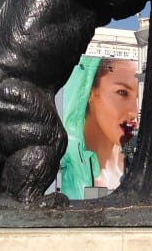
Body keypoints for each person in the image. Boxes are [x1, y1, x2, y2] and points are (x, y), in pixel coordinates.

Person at [60, 57, 139, 199]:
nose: (134, 111)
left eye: (137, 98)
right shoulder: (64, 159)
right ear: (90, 92)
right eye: (122, 92)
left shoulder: (138, 167)